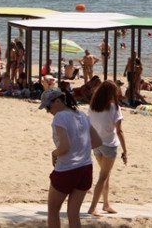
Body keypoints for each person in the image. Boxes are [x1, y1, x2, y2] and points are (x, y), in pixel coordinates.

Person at [39, 89, 101, 228]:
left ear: (57, 101)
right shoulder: (82, 115)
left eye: (48, 107)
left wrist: (54, 153)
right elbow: (97, 141)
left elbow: (65, 147)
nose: (48, 111)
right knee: (73, 213)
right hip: (86, 168)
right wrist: (80, 148)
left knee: (53, 210)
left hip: (66, 169)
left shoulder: (60, 117)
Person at [87, 81, 128, 215]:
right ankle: (93, 207)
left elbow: (89, 125)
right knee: (103, 176)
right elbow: (119, 131)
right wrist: (125, 151)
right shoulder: (114, 108)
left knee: (106, 175)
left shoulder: (93, 107)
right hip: (109, 145)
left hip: (96, 145)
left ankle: (106, 204)